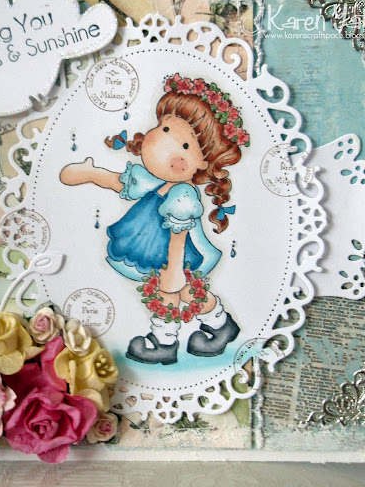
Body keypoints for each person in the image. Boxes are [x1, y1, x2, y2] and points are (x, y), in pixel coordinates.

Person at [60, 73, 250, 364]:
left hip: (173, 254)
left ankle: (164, 342)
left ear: (203, 161)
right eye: (164, 129)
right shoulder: (153, 180)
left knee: (171, 291)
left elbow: (178, 237)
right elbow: (120, 182)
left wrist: (174, 270)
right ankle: (220, 325)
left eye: (185, 146)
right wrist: (88, 173)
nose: (166, 144)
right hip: (149, 244)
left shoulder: (183, 196)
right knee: (188, 292)